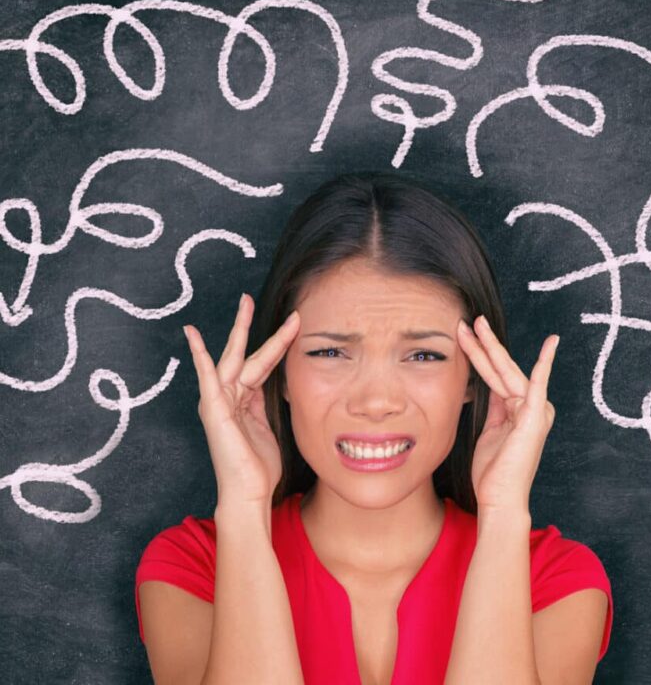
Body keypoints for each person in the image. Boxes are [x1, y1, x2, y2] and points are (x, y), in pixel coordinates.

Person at [135, 172, 613, 685]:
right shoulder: (193, 567)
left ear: (475, 380)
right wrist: (246, 506)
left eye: (424, 355)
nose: (376, 401)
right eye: (330, 352)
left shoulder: (556, 581)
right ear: (280, 373)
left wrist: (502, 513)